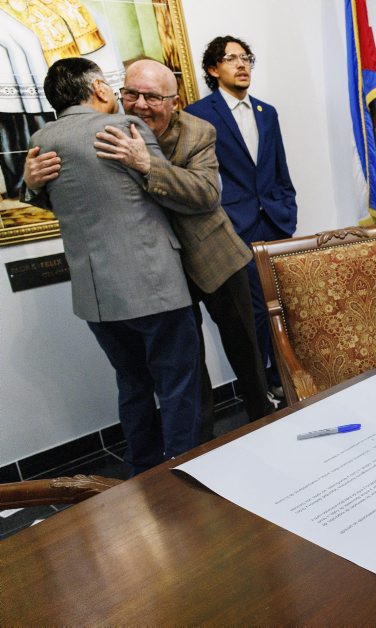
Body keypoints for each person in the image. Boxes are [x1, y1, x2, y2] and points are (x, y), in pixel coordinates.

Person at [25, 59, 276, 441]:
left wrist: (146, 164)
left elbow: (206, 194)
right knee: (187, 366)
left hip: (212, 256)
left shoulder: (198, 131)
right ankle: (200, 446)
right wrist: (33, 186)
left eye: (153, 97)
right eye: (131, 93)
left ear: (175, 101)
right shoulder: (106, 129)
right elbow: (84, 195)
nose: (140, 104)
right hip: (156, 271)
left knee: (244, 349)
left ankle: (263, 418)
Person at [26, 57, 200, 475]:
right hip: (153, 284)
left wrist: (29, 188)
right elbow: (171, 192)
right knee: (178, 384)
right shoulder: (123, 128)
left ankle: (142, 470)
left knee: (133, 383)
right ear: (100, 89)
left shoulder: (42, 139)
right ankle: (185, 470)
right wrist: (149, 163)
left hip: (95, 296)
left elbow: (63, 196)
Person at [186, 36, 297, 398]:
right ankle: (262, 387)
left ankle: (285, 378)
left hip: (274, 224)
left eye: (246, 57)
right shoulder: (197, 114)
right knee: (253, 313)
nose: (242, 64)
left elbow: (279, 168)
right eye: (231, 58)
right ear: (213, 69)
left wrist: (287, 209)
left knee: (282, 305)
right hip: (233, 228)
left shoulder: (267, 112)